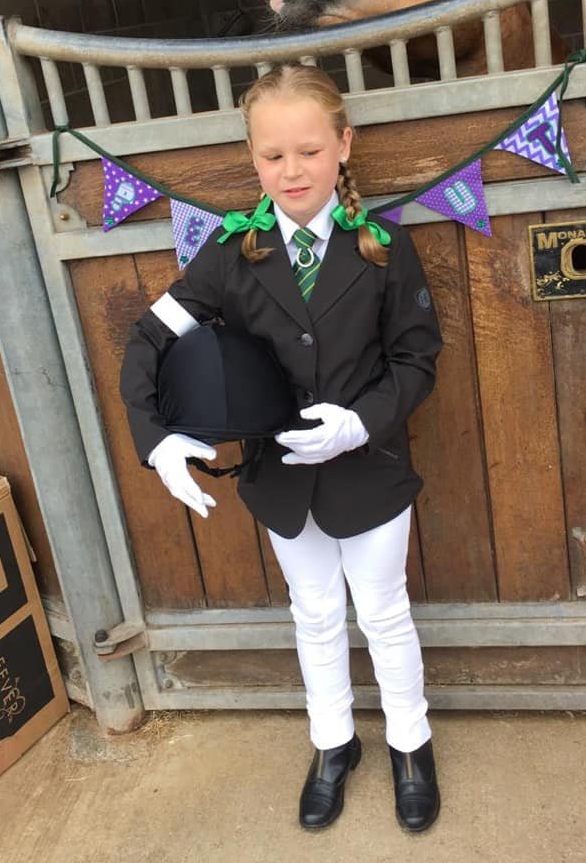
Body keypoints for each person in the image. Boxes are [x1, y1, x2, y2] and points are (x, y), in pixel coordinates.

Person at [120, 63, 444, 832]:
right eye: (272, 155)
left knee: (384, 611)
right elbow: (149, 338)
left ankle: (410, 743)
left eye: (309, 151)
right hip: (281, 481)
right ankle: (334, 743)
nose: (291, 170)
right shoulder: (231, 253)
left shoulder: (383, 247)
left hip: (370, 471)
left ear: (344, 145)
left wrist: (359, 424)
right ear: (253, 157)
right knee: (315, 613)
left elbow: (416, 359)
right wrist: (158, 439)